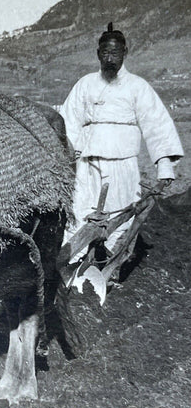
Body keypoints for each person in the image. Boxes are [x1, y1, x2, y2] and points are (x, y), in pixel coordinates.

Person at [60, 23, 184, 281]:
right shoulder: (85, 85)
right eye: (105, 52)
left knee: (122, 217)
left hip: (123, 166)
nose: (109, 57)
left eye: (115, 53)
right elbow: (69, 121)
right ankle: (73, 269)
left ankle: (110, 269)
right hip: (88, 164)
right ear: (97, 53)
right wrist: (66, 155)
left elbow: (156, 124)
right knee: (78, 212)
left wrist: (164, 166)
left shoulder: (137, 87)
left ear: (125, 53)